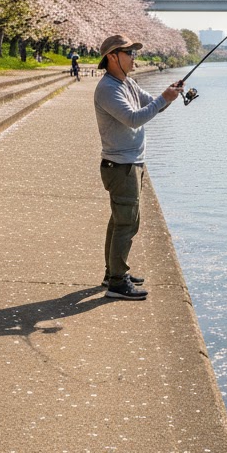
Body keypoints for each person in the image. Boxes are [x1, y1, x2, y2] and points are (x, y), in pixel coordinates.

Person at [93, 34, 184, 300]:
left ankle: (114, 273)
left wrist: (169, 96)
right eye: (129, 53)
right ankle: (117, 284)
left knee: (120, 221)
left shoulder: (127, 83)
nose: (134, 58)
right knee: (126, 224)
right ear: (112, 57)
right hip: (120, 165)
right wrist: (162, 99)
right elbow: (133, 119)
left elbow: (151, 107)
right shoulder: (108, 89)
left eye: (134, 53)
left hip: (131, 162)